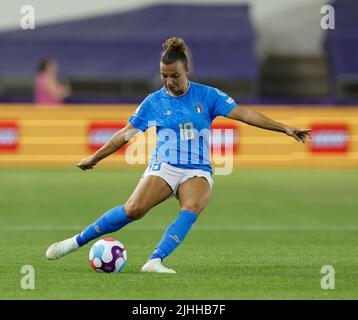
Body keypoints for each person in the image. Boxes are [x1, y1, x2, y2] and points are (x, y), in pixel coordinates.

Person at [45, 37, 311, 273]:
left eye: (174, 75)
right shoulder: (153, 102)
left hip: (197, 168)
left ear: (187, 71)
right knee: (133, 210)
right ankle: (74, 242)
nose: (169, 82)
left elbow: (247, 114)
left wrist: (285, 128)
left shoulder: (207, 95)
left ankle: (155, 260)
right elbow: (126, 134)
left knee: (192, 206)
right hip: (165, 166)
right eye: (164, 76)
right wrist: (96, 157)